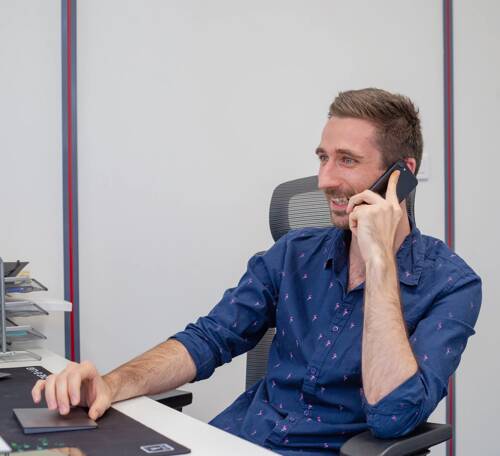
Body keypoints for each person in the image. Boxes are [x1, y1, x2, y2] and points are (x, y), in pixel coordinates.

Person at [32, 88, 481, 455]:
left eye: (346, 160)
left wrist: (380, 260)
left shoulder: (450, 284)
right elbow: (208, 339)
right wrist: (111, 384)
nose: (324, 179)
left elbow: (392, 415)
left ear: (401, 175)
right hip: (233, 441)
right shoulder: (293, 255)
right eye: (322, 157)